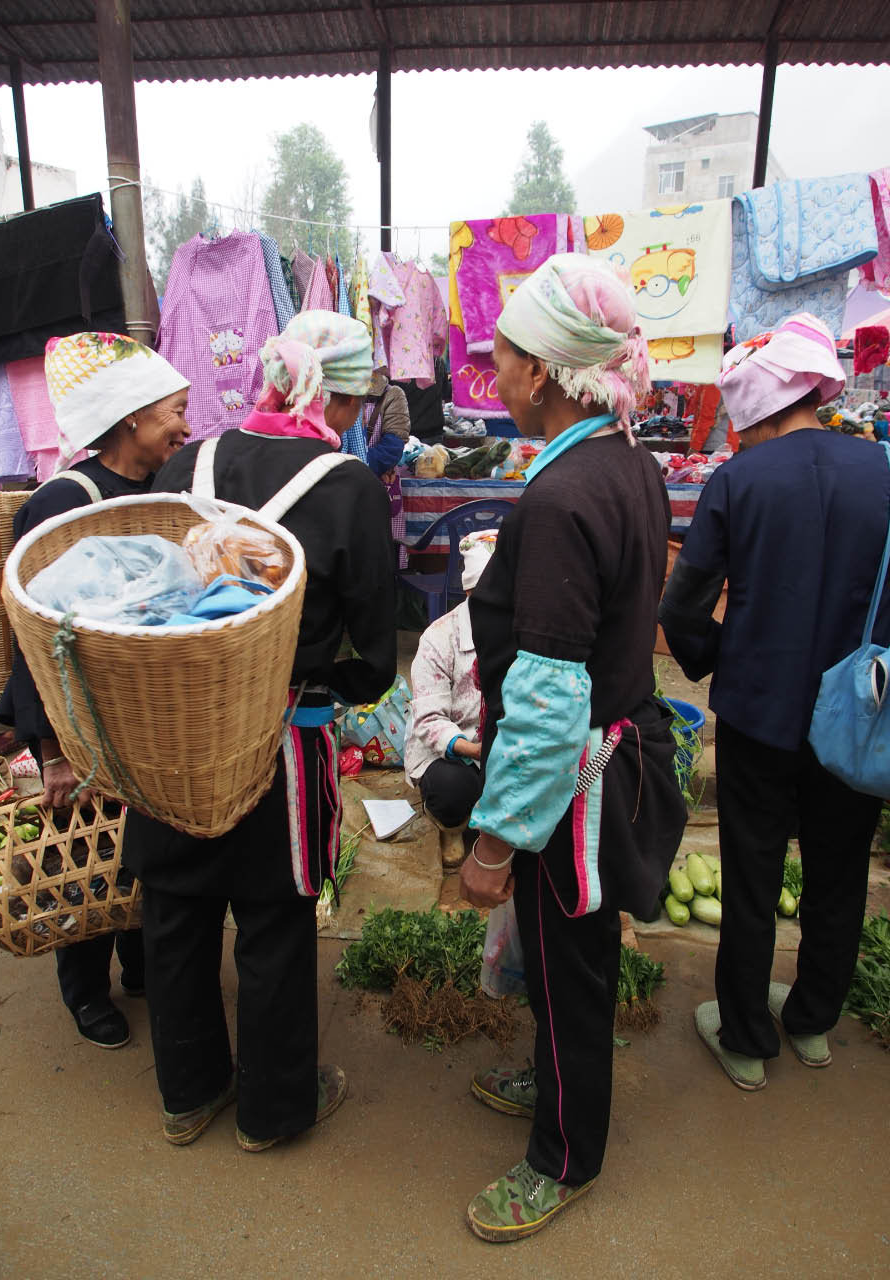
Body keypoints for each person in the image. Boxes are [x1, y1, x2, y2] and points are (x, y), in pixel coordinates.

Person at [121, 311, 396, 1150]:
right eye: (356, 401)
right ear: (335, 398)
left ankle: (188, 1095)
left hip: (173, 731)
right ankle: (271, 1113)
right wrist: (329, 681)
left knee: (176, 912)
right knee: (273, 921)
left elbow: (144, 589)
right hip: (280, 739)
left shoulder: (185, 463)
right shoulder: (347, 487)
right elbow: (374, 654)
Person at [458, 255, 685, 1243]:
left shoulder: (560, 500)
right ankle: (557, 1080)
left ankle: (564, 1156)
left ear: (544, 371)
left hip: (573, 781)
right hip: (608, 752)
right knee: (569, 961)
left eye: (504, 356)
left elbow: (550, 705)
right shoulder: (628, 460)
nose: (496, 372)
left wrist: (495, 840)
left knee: (568, 962)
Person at [659, 313, 890, 1091]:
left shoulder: (740, 481)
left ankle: (747, 1038)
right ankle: (814, 1020)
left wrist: (720, 655)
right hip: (858, 716)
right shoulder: (882, 469)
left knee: (753, 873)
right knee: (840, 870)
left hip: (760, 709)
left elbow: (682, 607)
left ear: (758, 409)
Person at [0, 330, 191, 1049]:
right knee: (84, 853)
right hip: (76, 724)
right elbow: (31, 637)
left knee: (141, 851)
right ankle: (84, 989)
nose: (185, 426)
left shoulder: (163, 492)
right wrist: (51, 751)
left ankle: (139, 966)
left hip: (137, 720)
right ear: (132, 415)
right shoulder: (63, 502)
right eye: (175, 411)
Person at [404, 531, 496, 846]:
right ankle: (452, 827)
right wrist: (474, 750)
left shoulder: (522, 630)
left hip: (506, 749)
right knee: (452, 791)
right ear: (469, 590)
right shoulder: (440, 637)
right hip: (456, 752)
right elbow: (429, 719)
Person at [364, 371, 410, 477]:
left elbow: (392, 449)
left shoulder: (393, 394)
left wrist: (354, 465)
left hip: (375, 475)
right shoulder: (336, 392)